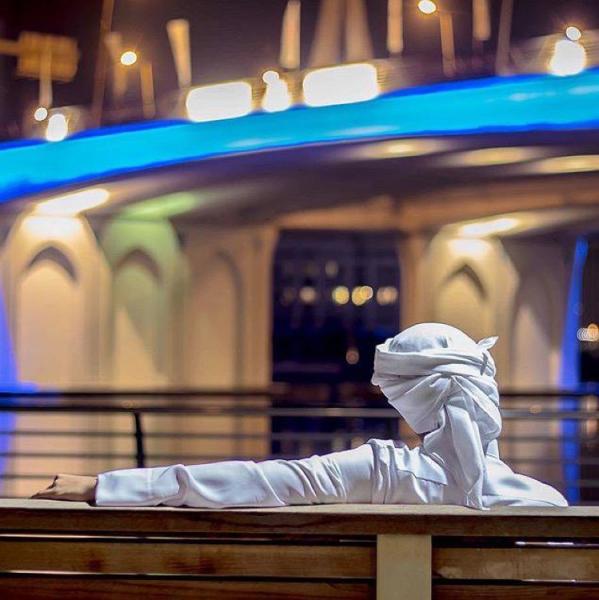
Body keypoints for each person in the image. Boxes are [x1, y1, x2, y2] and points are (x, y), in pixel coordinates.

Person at [32, 323, 567, 509]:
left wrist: (104, 486)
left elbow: (256, 482)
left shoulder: (384, 472)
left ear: (408, 402)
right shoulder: (546, 503)